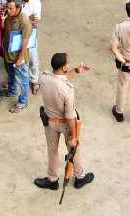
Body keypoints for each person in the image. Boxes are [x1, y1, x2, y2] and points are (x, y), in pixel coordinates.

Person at [33, 52, 93, 192]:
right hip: (65, 124)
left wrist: (77, 71)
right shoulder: (67, 90)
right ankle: (80, 177)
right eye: (68, 63)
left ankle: (52, 180)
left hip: (49, 121)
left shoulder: (44, 77)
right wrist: (74, 136)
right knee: (73, 149)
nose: (70, 64)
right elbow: (70, 116)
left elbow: (60, 78)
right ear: (64, 67)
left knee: (52, 151)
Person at [2, 0, 32, 114]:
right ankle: (11, 91)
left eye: (10, 8)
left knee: (23, 80)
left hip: (19, 56)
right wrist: (2, 22)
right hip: (8, 53)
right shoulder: (9, 15)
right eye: (7, 7)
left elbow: (25, 42)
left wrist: (20, 59)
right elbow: (5, 31)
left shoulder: (24, 21)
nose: (7, 10)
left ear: (18, 8)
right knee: (11, 74)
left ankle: (22, 102)